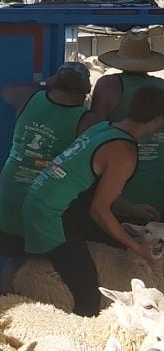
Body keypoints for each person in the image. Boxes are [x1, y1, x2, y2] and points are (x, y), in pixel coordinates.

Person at [22, 85, 164, 317]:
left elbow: (94, 189)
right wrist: (137, 246)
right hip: (53, 215)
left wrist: (133, 209)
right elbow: (99, 209)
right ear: (157, 119)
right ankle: (80, 338)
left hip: (40, 202)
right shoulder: (124, 152)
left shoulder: (105, 128)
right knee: (87, 291)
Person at [0, 62, 96, 293]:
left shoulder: (29, 97)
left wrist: (42, 83)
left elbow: (6, 91)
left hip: (13, 186)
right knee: (48, 260)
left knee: (15, 257)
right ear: (84, 92)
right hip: (47, 196)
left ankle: (6, 301)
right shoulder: (86, 119)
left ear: (55, 83)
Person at [91, 30, 164, 224]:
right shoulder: (161, 88)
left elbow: (94, 134)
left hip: (119, 188)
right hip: (157, 187)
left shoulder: (108, 86)